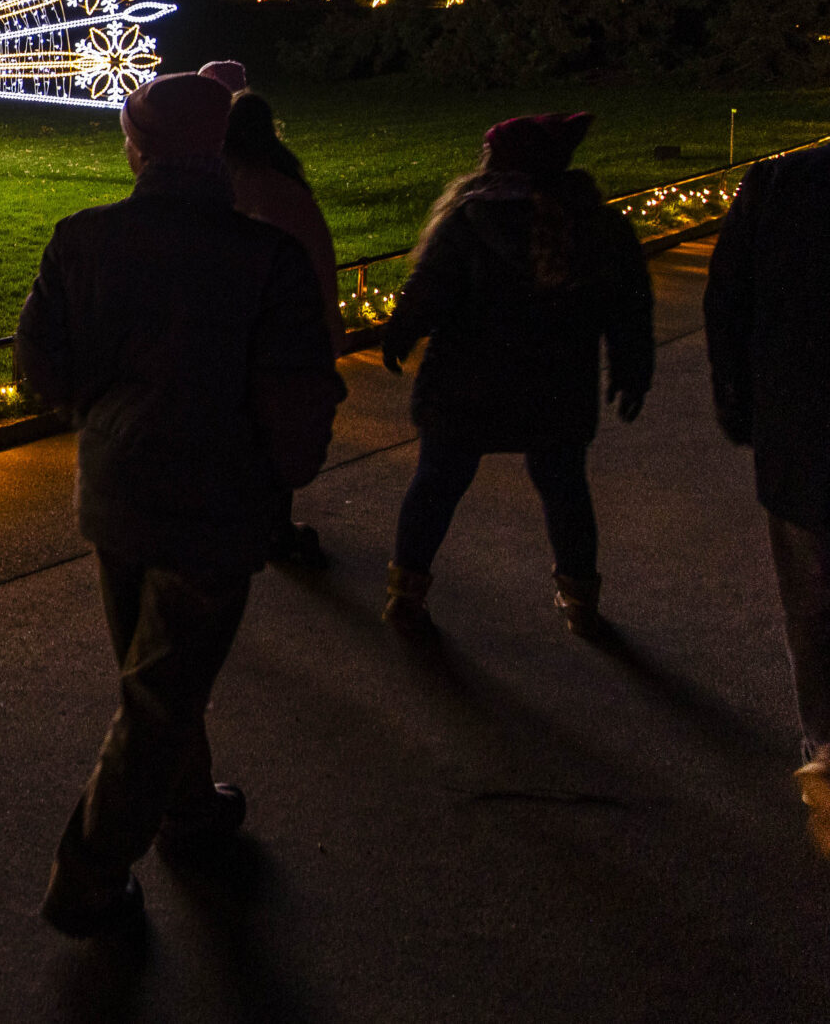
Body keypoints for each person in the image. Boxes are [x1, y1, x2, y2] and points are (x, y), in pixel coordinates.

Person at [18, 75, 344, 937]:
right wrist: (282, 475)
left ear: (136, 146)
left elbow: (39, 370)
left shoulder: (80, 240)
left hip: (116, 494)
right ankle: (85, 876)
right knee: (160, 691)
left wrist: (105, 419)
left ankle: (189, 806)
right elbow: (296, 390)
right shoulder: (263, 258)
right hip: (215, 502)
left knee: (153, 674)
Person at [378, 114, 652, 639]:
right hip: (556, 386)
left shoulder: (469, 219)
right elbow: (628, 306)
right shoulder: (597, 224)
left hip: (465, 384)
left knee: (436, 482)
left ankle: (404, 595)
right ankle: (580, 602)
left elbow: (431, 285)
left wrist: (402, 332)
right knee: (564, 487)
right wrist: (632, 366)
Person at [702, 145, 830, 859]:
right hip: (798, 431)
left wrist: (741, 400)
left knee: (810, 603)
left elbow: (727, 296)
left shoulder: (779, 182)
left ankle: (824, 742)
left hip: (800, 434)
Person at [222, 87, 347, 571]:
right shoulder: (289, 191)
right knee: (277, 432)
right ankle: (273, 524)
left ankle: (245, 516)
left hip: (238, 336)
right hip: (288, 338)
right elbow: (318, 263)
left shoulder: (224, 187)